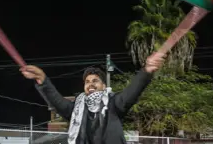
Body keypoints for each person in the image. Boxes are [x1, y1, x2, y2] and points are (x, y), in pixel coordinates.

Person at [21, 52, 165, 144]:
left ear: (103, 86)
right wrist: (42, 79)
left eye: (95, 81)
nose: (90, 84)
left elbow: (132, 91)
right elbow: (57, 101)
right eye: (87, 82)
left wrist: (146, 71)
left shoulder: (114, 104)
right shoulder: (76, 109)